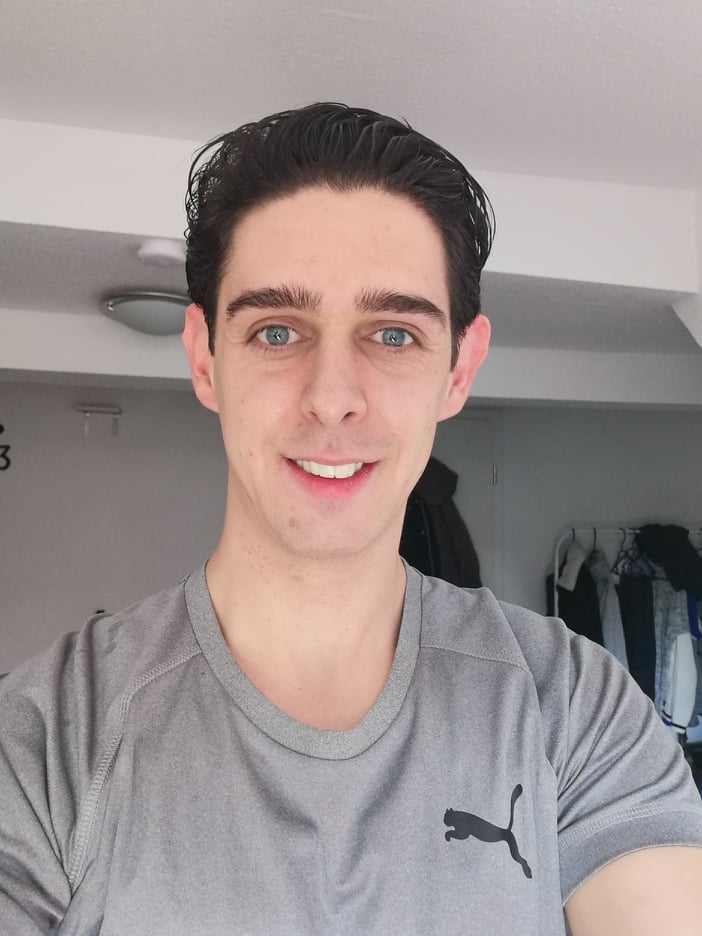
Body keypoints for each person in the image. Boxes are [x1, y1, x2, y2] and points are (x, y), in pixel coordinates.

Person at [1, 104, 702, 936]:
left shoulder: (573, 706)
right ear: (205, 358)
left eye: (394, 335)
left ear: (459, 370)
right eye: (276, 330)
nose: (332, 398)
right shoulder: (46, 740)